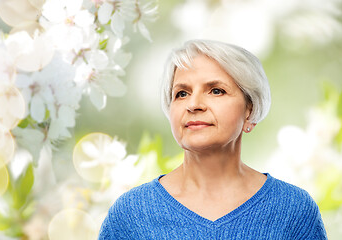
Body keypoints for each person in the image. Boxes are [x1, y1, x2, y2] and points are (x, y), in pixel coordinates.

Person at [98, 39, 327, 239]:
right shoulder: (131, 215)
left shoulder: (294, 210)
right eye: (182, 93)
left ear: (250, 109)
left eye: (216, 90)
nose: (193, 104)